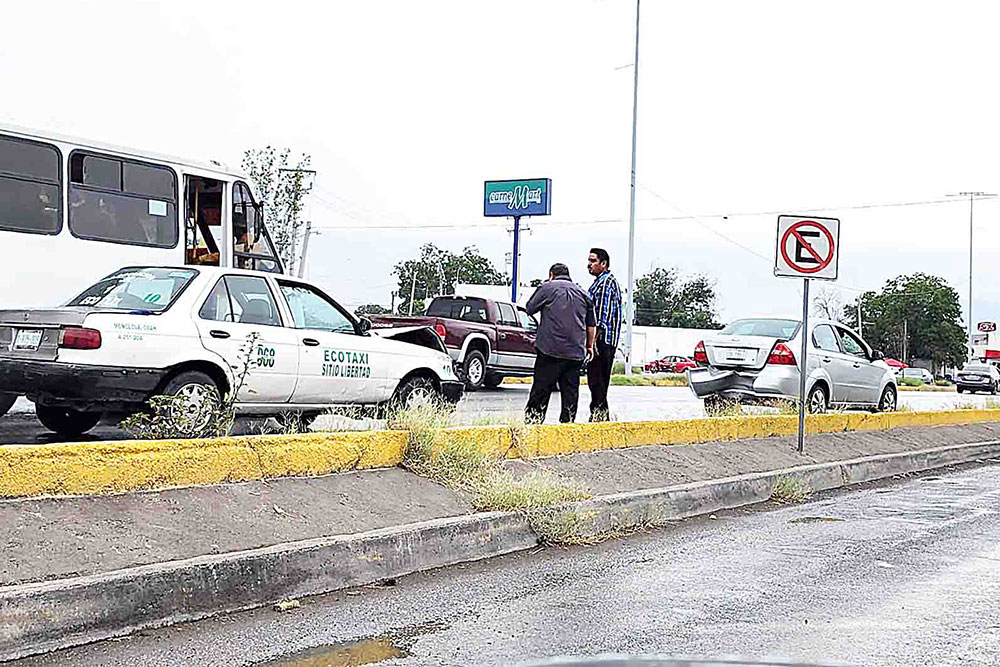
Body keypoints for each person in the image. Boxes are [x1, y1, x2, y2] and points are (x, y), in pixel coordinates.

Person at [524, 263, 596, 424]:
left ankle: (533, 423)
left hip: (550, 348)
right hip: (575, 352)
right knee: (570, 391)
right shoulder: (584, 294)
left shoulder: (547, 288)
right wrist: (589, 346)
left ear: (551, 275)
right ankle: (567, 425)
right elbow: (591, 325)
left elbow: (529, 308)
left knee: (541, 388)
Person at [586, 247, 623, 422]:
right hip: (602, 340)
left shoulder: (606, 282)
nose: (589, 265)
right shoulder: (600, 282)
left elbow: (601, 316)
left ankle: (599, 418)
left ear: (604, 264)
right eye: (589, 261)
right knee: (597, 383)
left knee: (597, 382)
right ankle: (600, 417)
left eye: (593, 261)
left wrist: (592, 342)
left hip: (602, 341)